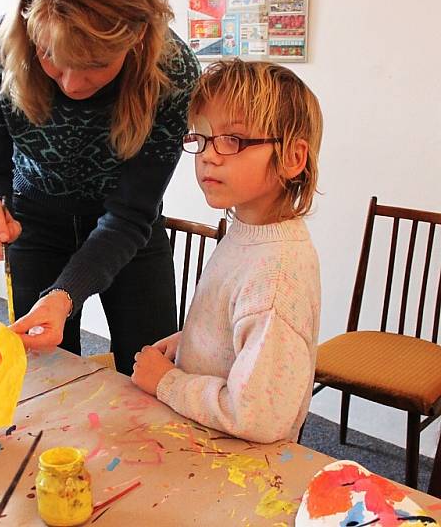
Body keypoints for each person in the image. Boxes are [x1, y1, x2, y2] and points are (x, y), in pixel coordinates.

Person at [0, 0, 200, 374]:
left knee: (149, 375)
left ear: (137, 40)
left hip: (130, 233)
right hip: (34, 226)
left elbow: (130, 214)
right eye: (52, 56)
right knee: (44, 376)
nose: (71, 85)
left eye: (94, 65)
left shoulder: (173, 72)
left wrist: (66, 293)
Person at [131, 59, 323, 443]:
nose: (208, 155)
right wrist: (193, 341)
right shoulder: (248, 232)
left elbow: (257, 418)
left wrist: (167, 382)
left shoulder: (276, 275)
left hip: (239, 468)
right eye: (201, 137)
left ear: (292, 158)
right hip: (205, 439)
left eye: (232, 139)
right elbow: (238, 332)